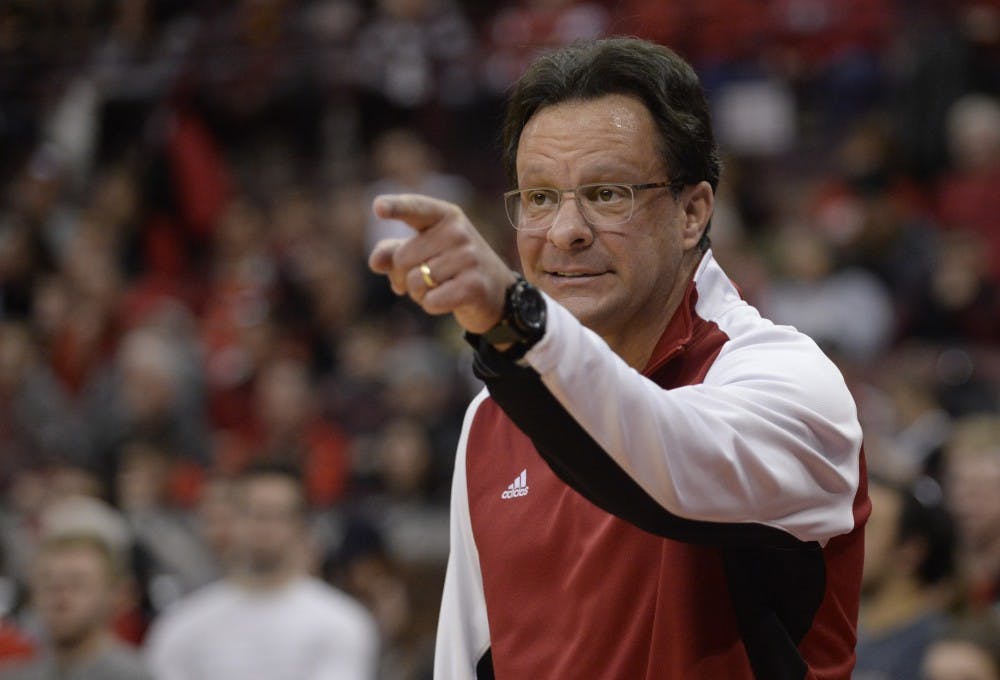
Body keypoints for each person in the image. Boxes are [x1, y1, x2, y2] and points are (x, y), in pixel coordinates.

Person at [367, 37, 869, 678]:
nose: (564, 231)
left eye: (606, 194)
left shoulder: (789, 381)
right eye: (540, 197)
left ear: (693, 212)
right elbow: (467, 663)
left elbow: (664, 468)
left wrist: (515, 318)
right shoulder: (492, 419)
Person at [144, 463, 378, 680]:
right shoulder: (183, 627)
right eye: (252, 513)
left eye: (277, 515)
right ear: (231, 520)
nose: (263, 527)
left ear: (300, 526)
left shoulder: (341, 623)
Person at [0, 532, 151, 680]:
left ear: (114, 595)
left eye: (77, 584)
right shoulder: (14, 673)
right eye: (49, 584)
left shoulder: (133, 675)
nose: (60, 597)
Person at [854, 476, 956, 680]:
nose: (846, 540)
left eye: (866, 527)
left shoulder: (941, 647)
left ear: (909, 551)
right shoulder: (833, 630)